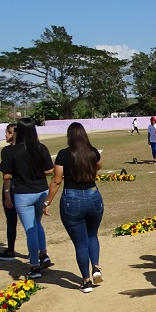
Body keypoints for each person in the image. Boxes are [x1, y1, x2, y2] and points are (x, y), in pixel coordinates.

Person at [43, 123, 104, 293]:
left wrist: (47, 202)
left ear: (69, 136)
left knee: (80, 243)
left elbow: (56, 180)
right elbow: (99, 165)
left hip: (72, 199)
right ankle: (97, 267)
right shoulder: (92, 151)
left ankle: (86, 281)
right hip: (93, 196)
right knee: (92, 235)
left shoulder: (63, 154)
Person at [0, 118, 55, 279]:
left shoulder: (10, 151)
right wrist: (36, 170)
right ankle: (43, 254)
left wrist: (7, 194)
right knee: (37, 224)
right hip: (41, 192)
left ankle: (35, 266)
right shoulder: (41, 148)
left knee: (30, 229)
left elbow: (7, 175)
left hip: (23, 194)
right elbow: (49, 170)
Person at [0, 123, 19, 260]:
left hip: (12, 188)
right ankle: (38, 252)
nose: (5, 135)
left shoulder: (7, 151)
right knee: (32, 223)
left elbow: (7, 176)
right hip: (28, 188)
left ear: (11, 134)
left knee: (11, 221)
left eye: (7, 132)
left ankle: (10, 251)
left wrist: (6, 194)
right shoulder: (28, 149)